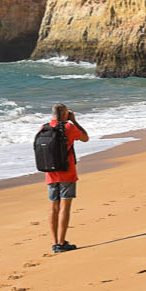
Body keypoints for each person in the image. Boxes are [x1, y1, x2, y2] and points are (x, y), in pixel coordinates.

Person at [37, 103, 90, 253]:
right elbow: (85, 138)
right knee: (65, 208)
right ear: (65, 114)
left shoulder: (44, 128)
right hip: (67, 172)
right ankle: (61, 243)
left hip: (50, 173)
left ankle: (55, 242)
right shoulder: (68, 127)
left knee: (54, 207)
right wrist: (74, 120)